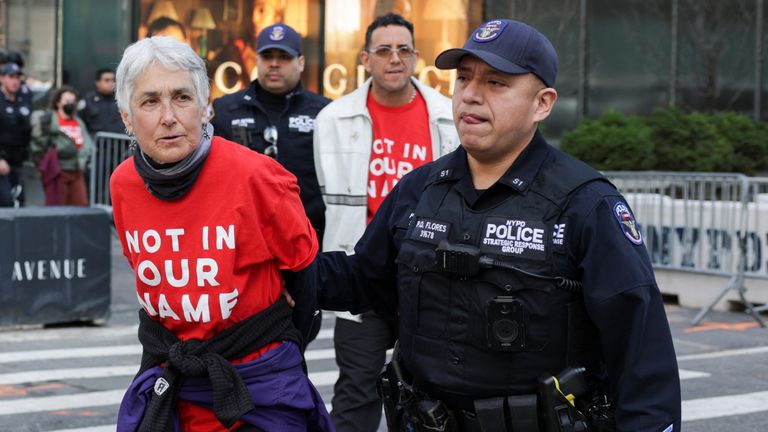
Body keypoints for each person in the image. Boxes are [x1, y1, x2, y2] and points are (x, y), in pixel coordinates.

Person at [316, 19, 681, 432]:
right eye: (464, 78)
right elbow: (364, 280)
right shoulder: (418, 190)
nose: (470, 95)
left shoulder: (586, 204)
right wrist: (285, 270)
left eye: (495, 83)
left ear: (542, 104)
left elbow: (641, 355)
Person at [110, 36, 332, 432]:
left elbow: (305, 276)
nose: (168, 116)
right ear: (127, 117)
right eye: (149, 101)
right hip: (174, 382)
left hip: (259, 388)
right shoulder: (122, 184)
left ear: (206, 106)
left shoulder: (260, 177)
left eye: (181, 97)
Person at [313, 13, 459, 432]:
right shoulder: (333, 121)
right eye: (383, 50)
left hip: (430, 278)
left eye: (403, 50)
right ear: (365, 59)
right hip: (364, 277)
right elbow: (326, 196)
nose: (394, 58)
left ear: (415, 57)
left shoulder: (447, 116)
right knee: (357, 389)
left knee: (432, 389)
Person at [211, 23, 330, 247]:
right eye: (267, 56)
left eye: (284, 56)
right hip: (244, 237)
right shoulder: (226, 109)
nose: (274, 63)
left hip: (308, 237)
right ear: (257, 60)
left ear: (301, 62)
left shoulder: (326, 112)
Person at [30, 86, 92, 206]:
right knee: (57, 206)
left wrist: (83, 159)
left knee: (81, 205)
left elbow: (86, 142)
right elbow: (38, 144)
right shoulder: (49, 120)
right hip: (57, 170)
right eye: (67, 101)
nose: (71, 104)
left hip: (76, 169)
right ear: (58, 103)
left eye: (73, 102)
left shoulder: (78, 121)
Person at [0, 62, 32, 207]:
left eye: (18, 77)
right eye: (11, 77)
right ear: (2, 78)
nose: (15, 81)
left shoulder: (23, 99)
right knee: (5, 201)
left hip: (18, 161)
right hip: (2, 161)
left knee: (19, 201)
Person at [79, 67, 124, 136]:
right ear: (98, 83)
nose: (111, 83)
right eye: (107, 80)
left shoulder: (121, 99)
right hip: (96, 144)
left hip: (121, 143)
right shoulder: (88, 100)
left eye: (113, 80)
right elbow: (80, 124)